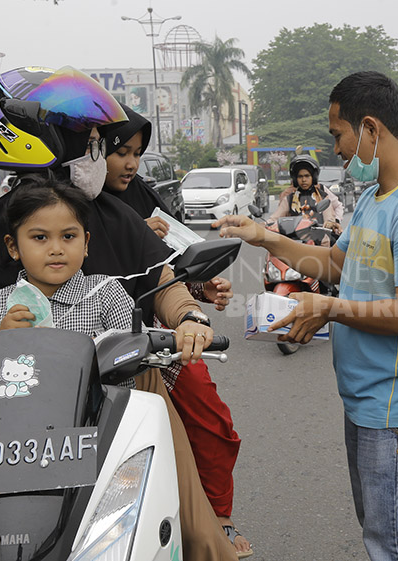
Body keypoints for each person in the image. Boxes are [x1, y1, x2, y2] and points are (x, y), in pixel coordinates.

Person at [0, 66, 239, 561]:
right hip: (7, 415)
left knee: (167, 422)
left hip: (104, 400)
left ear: (84, 240)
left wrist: (190, 316)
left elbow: (162, 284)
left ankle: (208, 545)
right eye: (88, 141)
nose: (98, 154)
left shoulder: (112, 217)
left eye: (68, 237)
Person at [214, 71, 398, 561]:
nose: (337, 150)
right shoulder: (375, 198)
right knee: (381, 528)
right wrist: (265, 238)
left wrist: (329, 308)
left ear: (370, 129)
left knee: (396, 542)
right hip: (369, 401)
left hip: (397, 407)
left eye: (338, 135)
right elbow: (336, 264)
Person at [100, 104, 252, 558]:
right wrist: (127, 237)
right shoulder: (64, 204)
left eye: (136, 153)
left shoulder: (142, 195)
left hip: (150, 336)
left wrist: (202, 289)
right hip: (80, 336)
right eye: (119, 152)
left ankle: (217, 520)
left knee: (210, 416)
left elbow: (176, 258)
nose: (130, 163)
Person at [0, 175, 134, 340]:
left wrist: (91, 347)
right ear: (13, 247)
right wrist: (0, 340)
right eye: (40, 237)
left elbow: (135, 351)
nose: (56, 250)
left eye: (68, 236)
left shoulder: (107, 294)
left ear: (85, 244)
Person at [270, 154, 343, 235]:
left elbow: (329, 215)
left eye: (307, 176)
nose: (304, 180)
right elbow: (275, 218)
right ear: (295, 179)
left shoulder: (322, 195)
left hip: (319, 239)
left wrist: (332, 223)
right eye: (300, 176)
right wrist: (264, 225)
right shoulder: (289, 198)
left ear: (313, 177)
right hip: (295, 239)